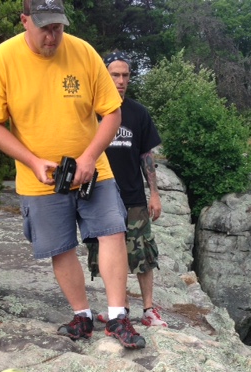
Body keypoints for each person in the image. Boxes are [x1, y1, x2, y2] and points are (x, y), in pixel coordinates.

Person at [0, 0, 145, 349]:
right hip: (40, 177)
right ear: (25, 21)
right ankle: (82, 315)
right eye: (44, 28)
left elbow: (111, 114)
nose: (53, 36)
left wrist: (89, 156)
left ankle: (118, 317)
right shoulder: (3, 59)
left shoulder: (83, 53)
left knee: (113, 231)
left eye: (58, 27)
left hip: (93, 169)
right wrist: (33, 161)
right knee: (60, 247)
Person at [87, 51, 167, 328]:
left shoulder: (137, 112)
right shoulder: (90, 110)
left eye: (125, 75)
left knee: (143, 254)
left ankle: (148, 310)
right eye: (115, 75)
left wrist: (154, 193)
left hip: (132, 197)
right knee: (106, 254)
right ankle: (117, 308)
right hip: (98, 195)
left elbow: (146, 155)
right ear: (104, 76)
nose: (121, 81)